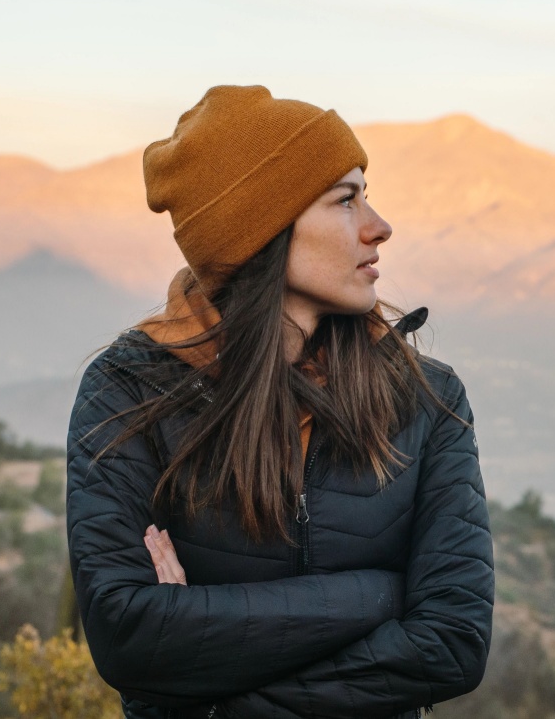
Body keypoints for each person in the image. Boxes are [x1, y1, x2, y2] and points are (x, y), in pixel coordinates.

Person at [65, 85, 494, 719]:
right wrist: (380, 596)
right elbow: (129, 635)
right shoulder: (131, 390)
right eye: (345, 200)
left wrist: (208, 694)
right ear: (261, 229)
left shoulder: (427, 399)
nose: (379, 226)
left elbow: (453, 643)